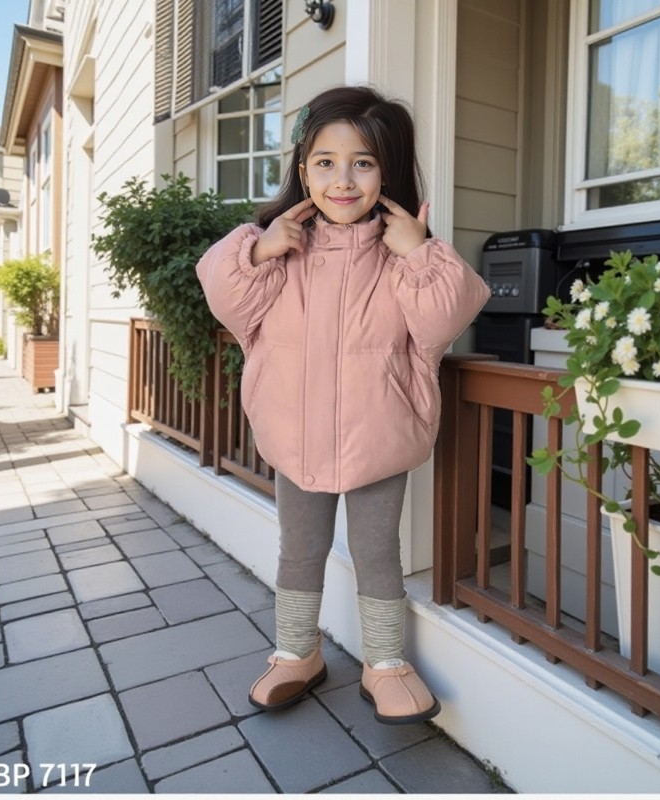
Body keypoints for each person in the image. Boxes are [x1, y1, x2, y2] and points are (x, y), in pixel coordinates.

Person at [196, 85, 490, 725]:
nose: (343, 178)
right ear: (303, 169)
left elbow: (445, 320)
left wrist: (416, 252)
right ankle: (296, 652)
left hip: (378, 434)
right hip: (293, 435)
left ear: (389, 169)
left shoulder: (408, 253)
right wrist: (259, 249)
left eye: (363, 161)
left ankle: (385, 663)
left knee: (378, 552)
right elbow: (224, 296)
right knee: (298, 550)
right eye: (325, 162)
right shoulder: (276, 249)